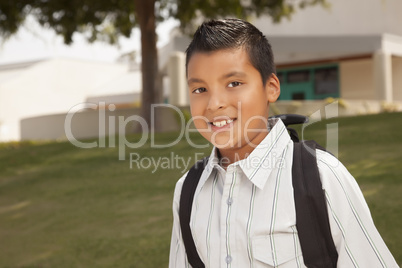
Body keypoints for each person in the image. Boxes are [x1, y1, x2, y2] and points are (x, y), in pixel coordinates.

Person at [169, 18, 398, 268]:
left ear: (271, 87)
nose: (214, 104)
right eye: (200, 89)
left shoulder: (322, 177)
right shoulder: (189, 191)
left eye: (234, 83)